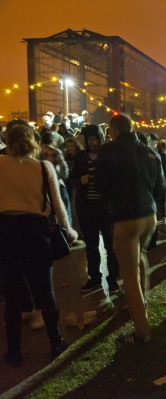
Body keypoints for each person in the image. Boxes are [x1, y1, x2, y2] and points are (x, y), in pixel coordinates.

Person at [0, 124, 77, 365]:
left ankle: (14, 351)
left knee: (12, 298)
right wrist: (70, 231)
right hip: (37, 235)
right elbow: (58, 205)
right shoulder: (44, 167)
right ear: (33, 142)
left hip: (6, 234)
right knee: (45, 292)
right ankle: (56, 343)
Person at [95, 114, 165, 344]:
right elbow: (160, 185)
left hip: (125, 217)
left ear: (114, 129)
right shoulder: (149, 150)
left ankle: (141, 332)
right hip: (149, 214)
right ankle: (140, 303)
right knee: (140, 258)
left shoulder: (108, 151)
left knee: (129, 276)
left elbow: (101, 186)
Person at [72, 124, 120, 294]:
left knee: (110, 244)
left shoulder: (108, 156)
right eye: (90, 139)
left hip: (105, 207)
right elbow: (72, 180)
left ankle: (113, 278)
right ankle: (94, 278)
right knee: (91, 245)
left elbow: (117, 180)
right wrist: (80, 182)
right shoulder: (80, 157)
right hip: (86, 207)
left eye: (95, 138)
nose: (93, 142)